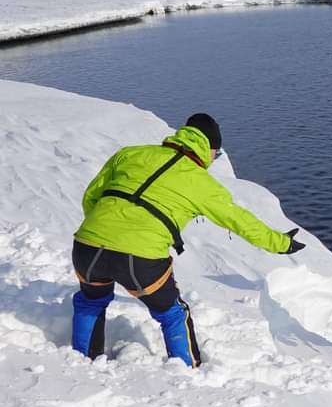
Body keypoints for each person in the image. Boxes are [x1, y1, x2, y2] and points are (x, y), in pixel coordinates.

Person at [71, 113, 305, 368]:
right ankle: (185, 371)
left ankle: (81, 362)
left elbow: (91, 197)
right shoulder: (202, 184)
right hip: (139, 258)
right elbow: (240, 221)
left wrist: (103, 233)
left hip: (87, 246)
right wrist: (281, 244)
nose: (215, 160)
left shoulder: (130, 154)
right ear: (210, 149)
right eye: (217, 155)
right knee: (173, 314)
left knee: (91, 301)